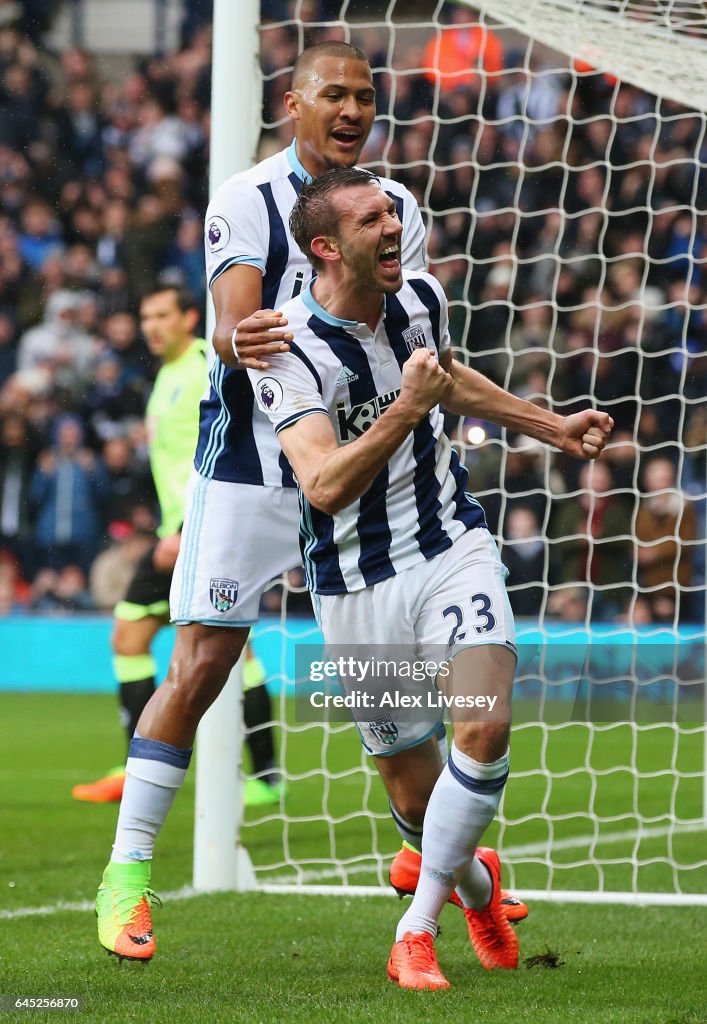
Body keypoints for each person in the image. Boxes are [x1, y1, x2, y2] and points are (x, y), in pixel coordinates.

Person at [94, 41, 435, 963]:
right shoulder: (246, 198)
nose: (353, 109)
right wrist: (241, 334)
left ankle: (432, 862)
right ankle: (126, 878)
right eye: (335, 94)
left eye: (366, 96)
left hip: (352, 467)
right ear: (294, 102)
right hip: (250, 464)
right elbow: (229, 328)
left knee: (389, 686)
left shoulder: (396, 204)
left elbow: (397, 324)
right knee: (200, 665)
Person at [249, 167, 613, 989]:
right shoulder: (283, 348)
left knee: (480, 729)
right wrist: (408, 409)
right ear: (324, 247)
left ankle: (413, 932)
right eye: (372, 218)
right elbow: (323, 486)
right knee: (416, 805)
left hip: (451, 544)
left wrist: (550, 425)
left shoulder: (419, 299)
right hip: (351, 586)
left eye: (392, 213)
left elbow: (447, 376)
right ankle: (476, 888)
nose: (392, 227)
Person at [74, 286, 279, 808]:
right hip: (178, 530)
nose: (152, 325)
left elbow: (225, 443)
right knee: (133, 639)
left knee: (229, 649)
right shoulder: (164, 376)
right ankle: (149, 764)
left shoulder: (199, 370)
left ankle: (264, 775)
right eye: (145, 315)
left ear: (192, 317)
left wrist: (190, 526)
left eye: (162, 314)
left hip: (198, 529)